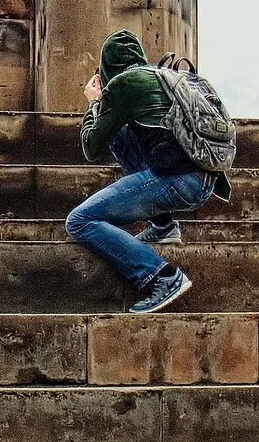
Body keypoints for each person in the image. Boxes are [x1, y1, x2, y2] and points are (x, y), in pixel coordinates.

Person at [66, 29, 225, 314]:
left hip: (179, 181)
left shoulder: (125, 84)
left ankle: (162, 277)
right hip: (205, 179)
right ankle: (163, 226)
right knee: (121, 135)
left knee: (79, 220)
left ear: (107, 68)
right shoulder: (160, 77)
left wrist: (94, 102)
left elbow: (91, 147)